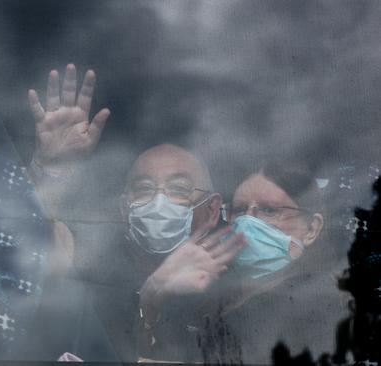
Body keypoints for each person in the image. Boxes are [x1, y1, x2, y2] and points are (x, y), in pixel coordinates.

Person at [27, 64, 246, 361]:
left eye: (179, 190)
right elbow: (26, 253)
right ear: (123, 209)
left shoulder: (236, 297)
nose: (159, 202)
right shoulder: (89, 279)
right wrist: (51, 168)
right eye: (143, 189)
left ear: (211, 210)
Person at [152, 160, 349, 364]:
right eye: (239, 210)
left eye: (269, 210)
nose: (248, 223)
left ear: (311, 229)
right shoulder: (213, 291)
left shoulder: (323, 306)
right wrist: (161, 292)